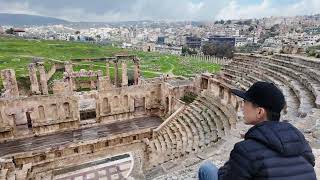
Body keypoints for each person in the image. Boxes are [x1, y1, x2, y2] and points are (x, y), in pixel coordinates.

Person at [198, 81, 316, 180]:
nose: (242, 107)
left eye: (245, 103)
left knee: (207, 169)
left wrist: (231, 164)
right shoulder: (301, 141)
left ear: (260, 112)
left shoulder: (245, 149)